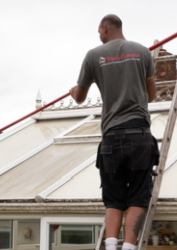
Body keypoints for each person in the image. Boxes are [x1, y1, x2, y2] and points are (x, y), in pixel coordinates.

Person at [69, 14, 159, 250]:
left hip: (111, 136)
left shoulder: (92, 56)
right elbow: (151, 95)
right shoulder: (142, 52)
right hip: (139, 133)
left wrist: (72, 91)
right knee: (138, 197)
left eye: (99, 31)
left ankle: (110, 246)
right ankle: (129, 247)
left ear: (105, 28)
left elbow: (79, 98)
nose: (99, 36)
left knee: (114, 199)